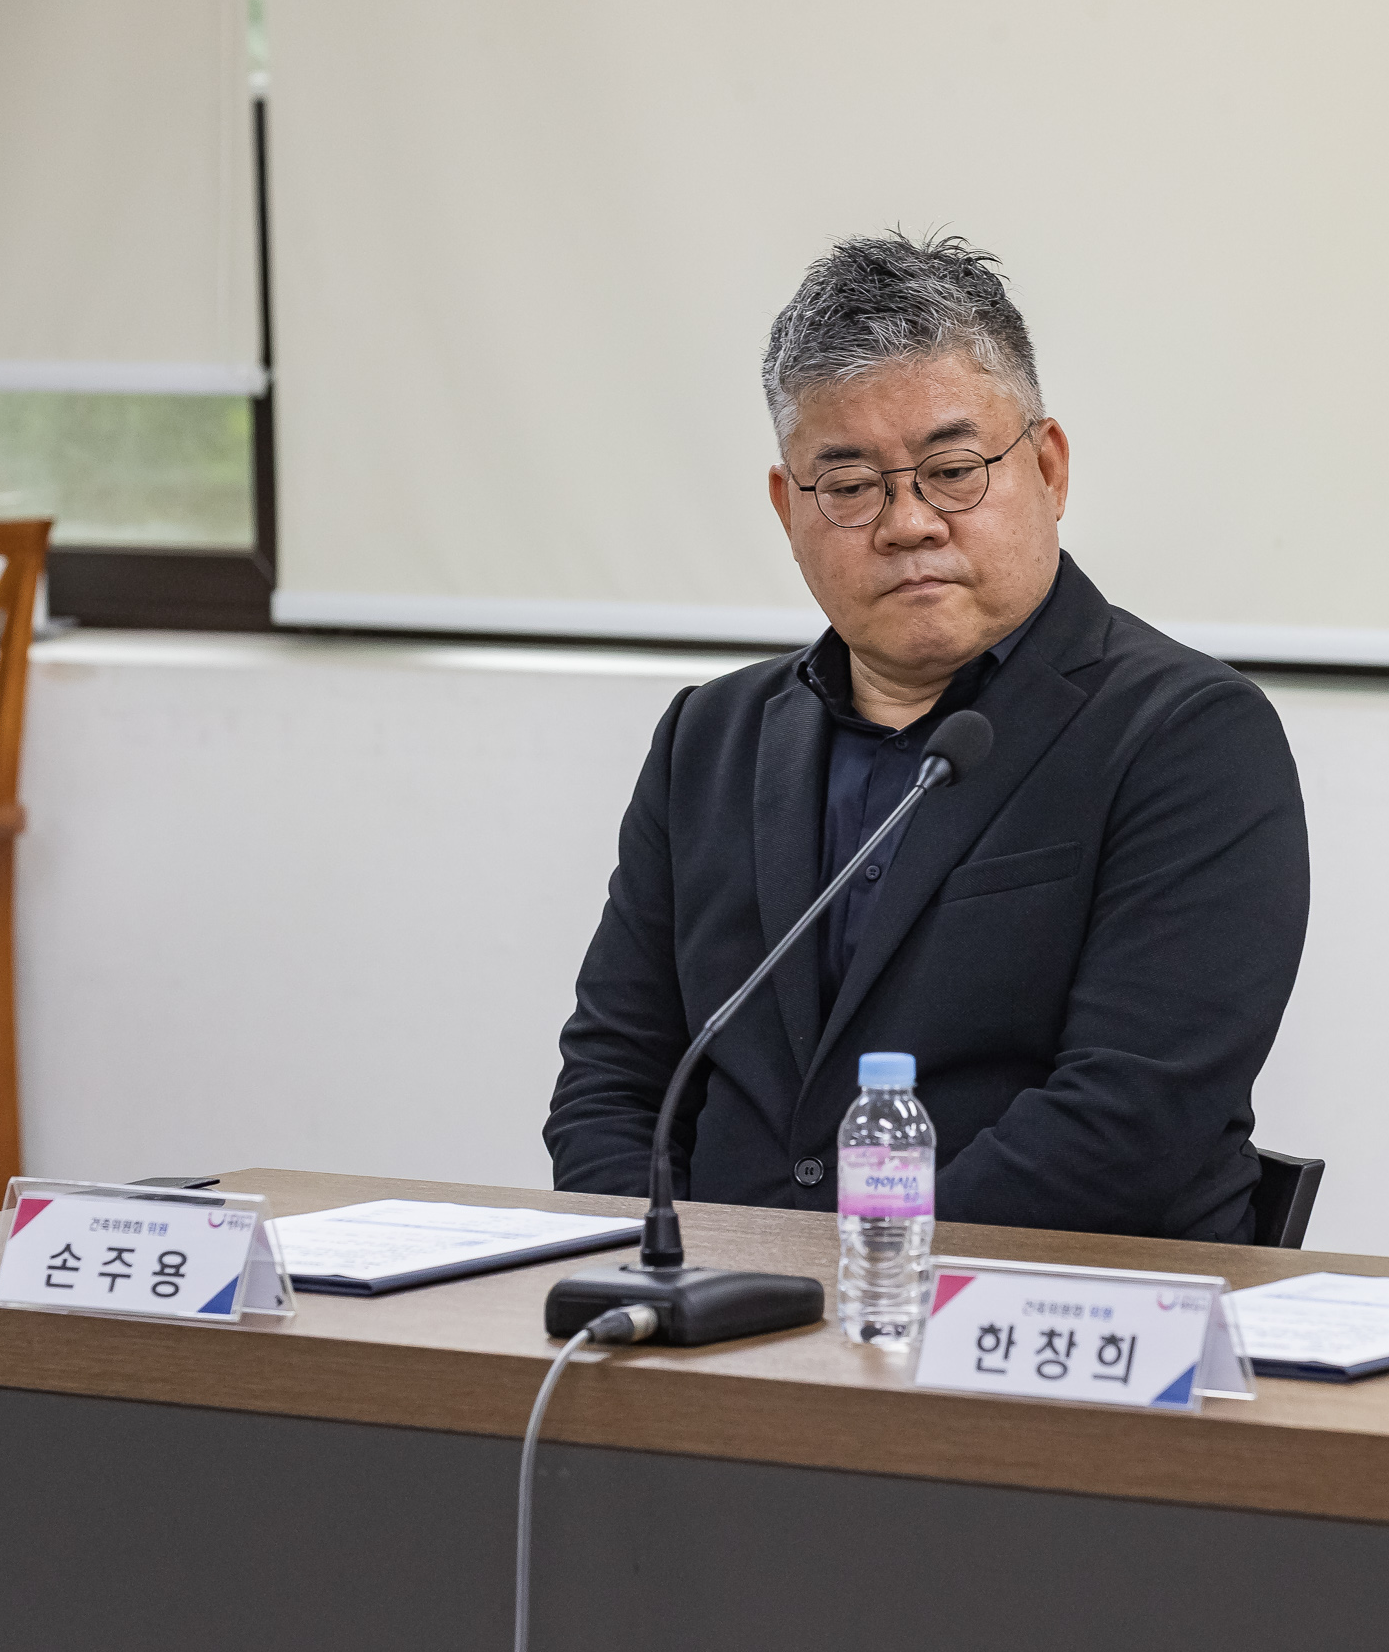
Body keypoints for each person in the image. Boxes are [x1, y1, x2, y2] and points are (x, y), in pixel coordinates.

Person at [545, 233, 1310, 1238]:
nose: (907, 522)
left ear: (1047, 467)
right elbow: (612, 1083)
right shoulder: (710, 737)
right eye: (851, 486)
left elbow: (1128, 1122)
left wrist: (843, 1281)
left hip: (1023, 1330)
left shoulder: (1186, 736)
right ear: (788, 506)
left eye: (952, 470)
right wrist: (664, 1272)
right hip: (721, 1326)